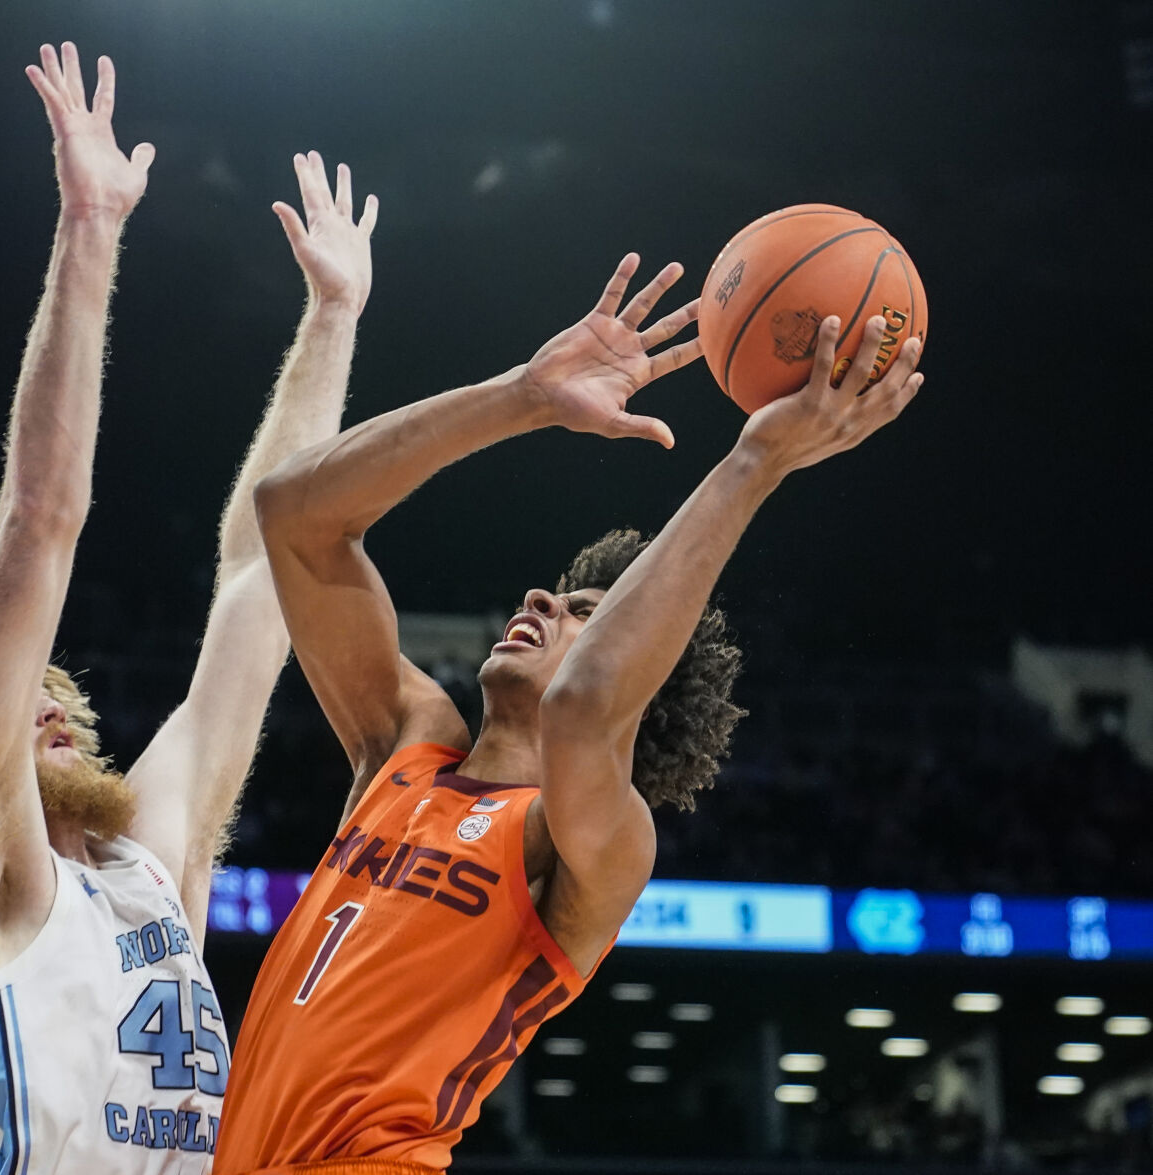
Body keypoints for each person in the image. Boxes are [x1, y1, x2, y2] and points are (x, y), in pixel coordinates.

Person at [215, 256, 925, 1175]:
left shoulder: (594, 841)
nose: (545, 599)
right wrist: (522, 396)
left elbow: (589, 703)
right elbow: (295, 515)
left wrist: (757, 460)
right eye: (558, 592)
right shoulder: (405, 747)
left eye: (583, 613)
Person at [0, 42, 380, 1174]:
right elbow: (40, 517)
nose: (56, 707)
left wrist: (334, 320)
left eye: (53, 695)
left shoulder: (145, 868)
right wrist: (88, 230)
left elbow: (265, 576)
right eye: (16, 704)